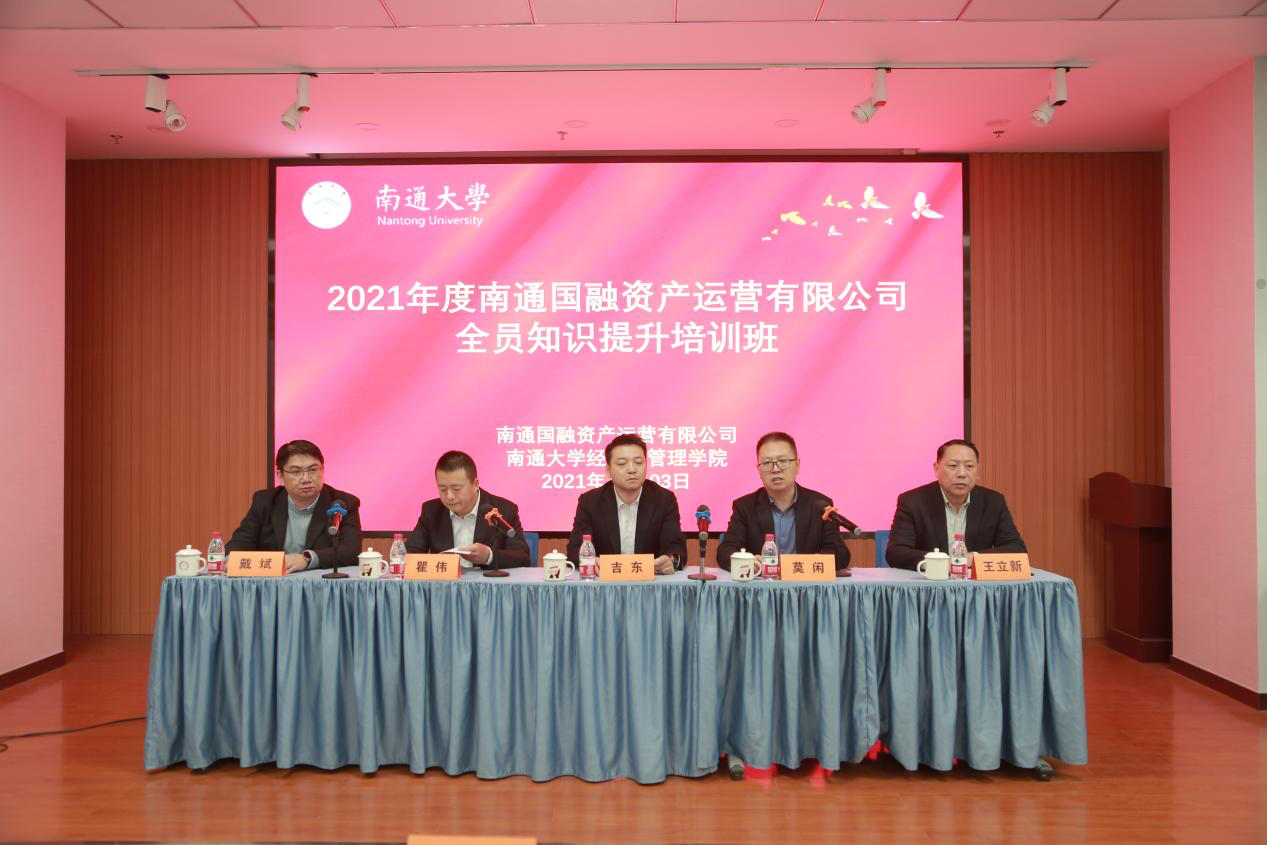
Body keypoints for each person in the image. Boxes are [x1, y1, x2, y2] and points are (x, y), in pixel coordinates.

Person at [716, 431, 851, 572]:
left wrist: (814, 562)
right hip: (762, 583)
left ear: (797, 465)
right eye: (767, 463)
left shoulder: (820, 505)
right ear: (759, 470)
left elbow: (841, 557)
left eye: (783, 461)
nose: (776, 469)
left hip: (806, 583)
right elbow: (725, 552)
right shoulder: (745, 507)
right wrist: (746, 561)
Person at [886, 439, 1026, 570]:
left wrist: (972, 559)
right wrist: (940, 563)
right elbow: (895, 552)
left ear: (977, 471)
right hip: (930, 582)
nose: (962, 474)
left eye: (969, 466)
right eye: (953, 466)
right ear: (936, 469)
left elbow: (1017, 549)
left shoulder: (993, 502)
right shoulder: (913, 501)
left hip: (975, 585)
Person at [226, 439, 362, 573]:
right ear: (280, 476)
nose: (306, 479)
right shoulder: (265, 501)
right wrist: (232, 559)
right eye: (296, 472)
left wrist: (307, 559)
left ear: (323, 470)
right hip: (274, 582)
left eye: (313, 470)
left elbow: (351, 551)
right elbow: (239, 543)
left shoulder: (343, 503)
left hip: (319, 583)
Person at [566, 433, 685, 575]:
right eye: (622, 464)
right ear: (608, 470)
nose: (632, 469)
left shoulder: (664, 500)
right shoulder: (590, 502)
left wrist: (671, 560)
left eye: (639, 462)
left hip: (649, 582)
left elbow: (676, 546)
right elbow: (575, 548)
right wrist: (589, 560)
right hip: (604, 582)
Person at [405, 450, 531, 569]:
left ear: (475, 484)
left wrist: (488, 556)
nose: (449, 496)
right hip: (445, 583)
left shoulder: (504, 509)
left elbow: (523, 558)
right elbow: (409, 554)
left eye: (456, 489)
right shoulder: (431, 511)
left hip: (487, 584)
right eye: (443, 489)